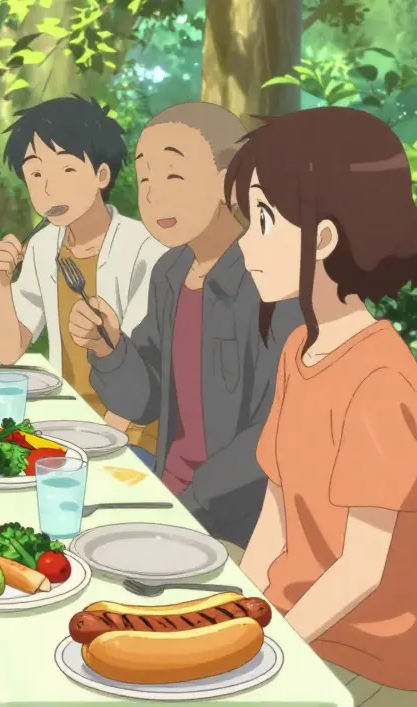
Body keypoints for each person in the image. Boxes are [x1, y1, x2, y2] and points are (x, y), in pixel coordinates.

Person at [231, 106, 417, 707]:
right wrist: (241, 612)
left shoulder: (381, 379)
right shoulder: (297, 349)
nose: (246, 243)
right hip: (298, 620)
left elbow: (362, 568)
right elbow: (275, 512)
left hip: (371, 655)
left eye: (262, 221)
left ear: (324, 238)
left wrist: (266, 650)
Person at [67, 102, 302, 561]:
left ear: (230, 179)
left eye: (174, 176)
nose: (154, 198)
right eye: (145, 180)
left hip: (234, 525)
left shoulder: (270, 280)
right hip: (164, 489)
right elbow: (144, 400)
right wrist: (109, 348)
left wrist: (184, 506)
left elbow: (272, 435)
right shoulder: (171, 272)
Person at [0, 95, 167, 465]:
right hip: (64, 426)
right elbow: (8, 351)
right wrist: (1, 283)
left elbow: (140, 383)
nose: (48, 188)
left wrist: (92, 442)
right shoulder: (42, 246)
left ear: (102, 175)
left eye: (66, 170)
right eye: (35, 174)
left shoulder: (144, 250)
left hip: (131, 436)